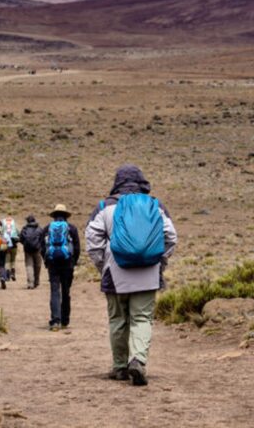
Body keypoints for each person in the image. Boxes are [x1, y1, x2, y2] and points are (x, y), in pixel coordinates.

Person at [86, 165, 177, 386]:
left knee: (118, 320)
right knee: (142, 318)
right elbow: (171, 236)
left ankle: (119, 367)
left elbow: (92, 240)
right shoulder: (155, 206)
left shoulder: (104, 207)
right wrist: (159, 261)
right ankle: (138, 360)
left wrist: (103, 264)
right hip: (147, 272)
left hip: (115, 272)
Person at [40, 204, 80, 331]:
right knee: (66, 292)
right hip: (67, 263)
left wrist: (46, 261)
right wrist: (74, 262)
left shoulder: (47, 228)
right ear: (66, 216)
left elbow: (42, 247)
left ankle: (55, 321)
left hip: (53, 264)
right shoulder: (72, 228)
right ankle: (65, 320)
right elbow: (77, 248)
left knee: (55, 291)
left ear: (54, 215)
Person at [19, 215, 44, 289]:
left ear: (27, 221)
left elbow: (21, 239)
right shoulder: (39, 229)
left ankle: (30, 283)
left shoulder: (24, 229)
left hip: (27, 250)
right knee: (38, 266)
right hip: (37, 250)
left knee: (29, 266)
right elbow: (42, 239)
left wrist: (25, 245)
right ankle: (36, 281)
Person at [3, 216, 19, 282]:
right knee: (13, 261)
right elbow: (19, 236)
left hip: (6, 247)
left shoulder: (3, 228)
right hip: (14, 247)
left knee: (7, 261)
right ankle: (13, 274)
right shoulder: (14, 228)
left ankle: (7, 276)